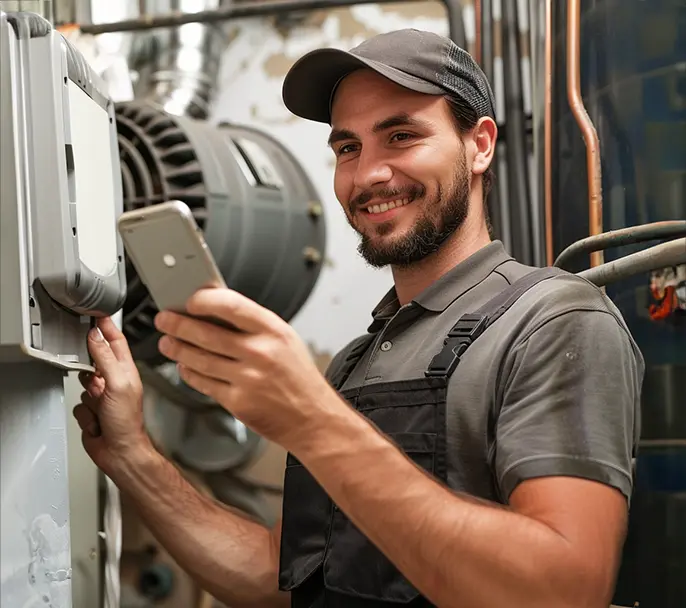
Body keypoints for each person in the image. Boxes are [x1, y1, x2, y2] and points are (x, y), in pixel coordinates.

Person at [73, 29, 643, 608]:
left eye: (401, 135)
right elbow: (279, 577)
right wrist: (132, 456)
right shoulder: (357, 360)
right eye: (348, 148)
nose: (368, 174)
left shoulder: (555, 322)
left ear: (480, 145)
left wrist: (311, 420)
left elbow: (564, 591)